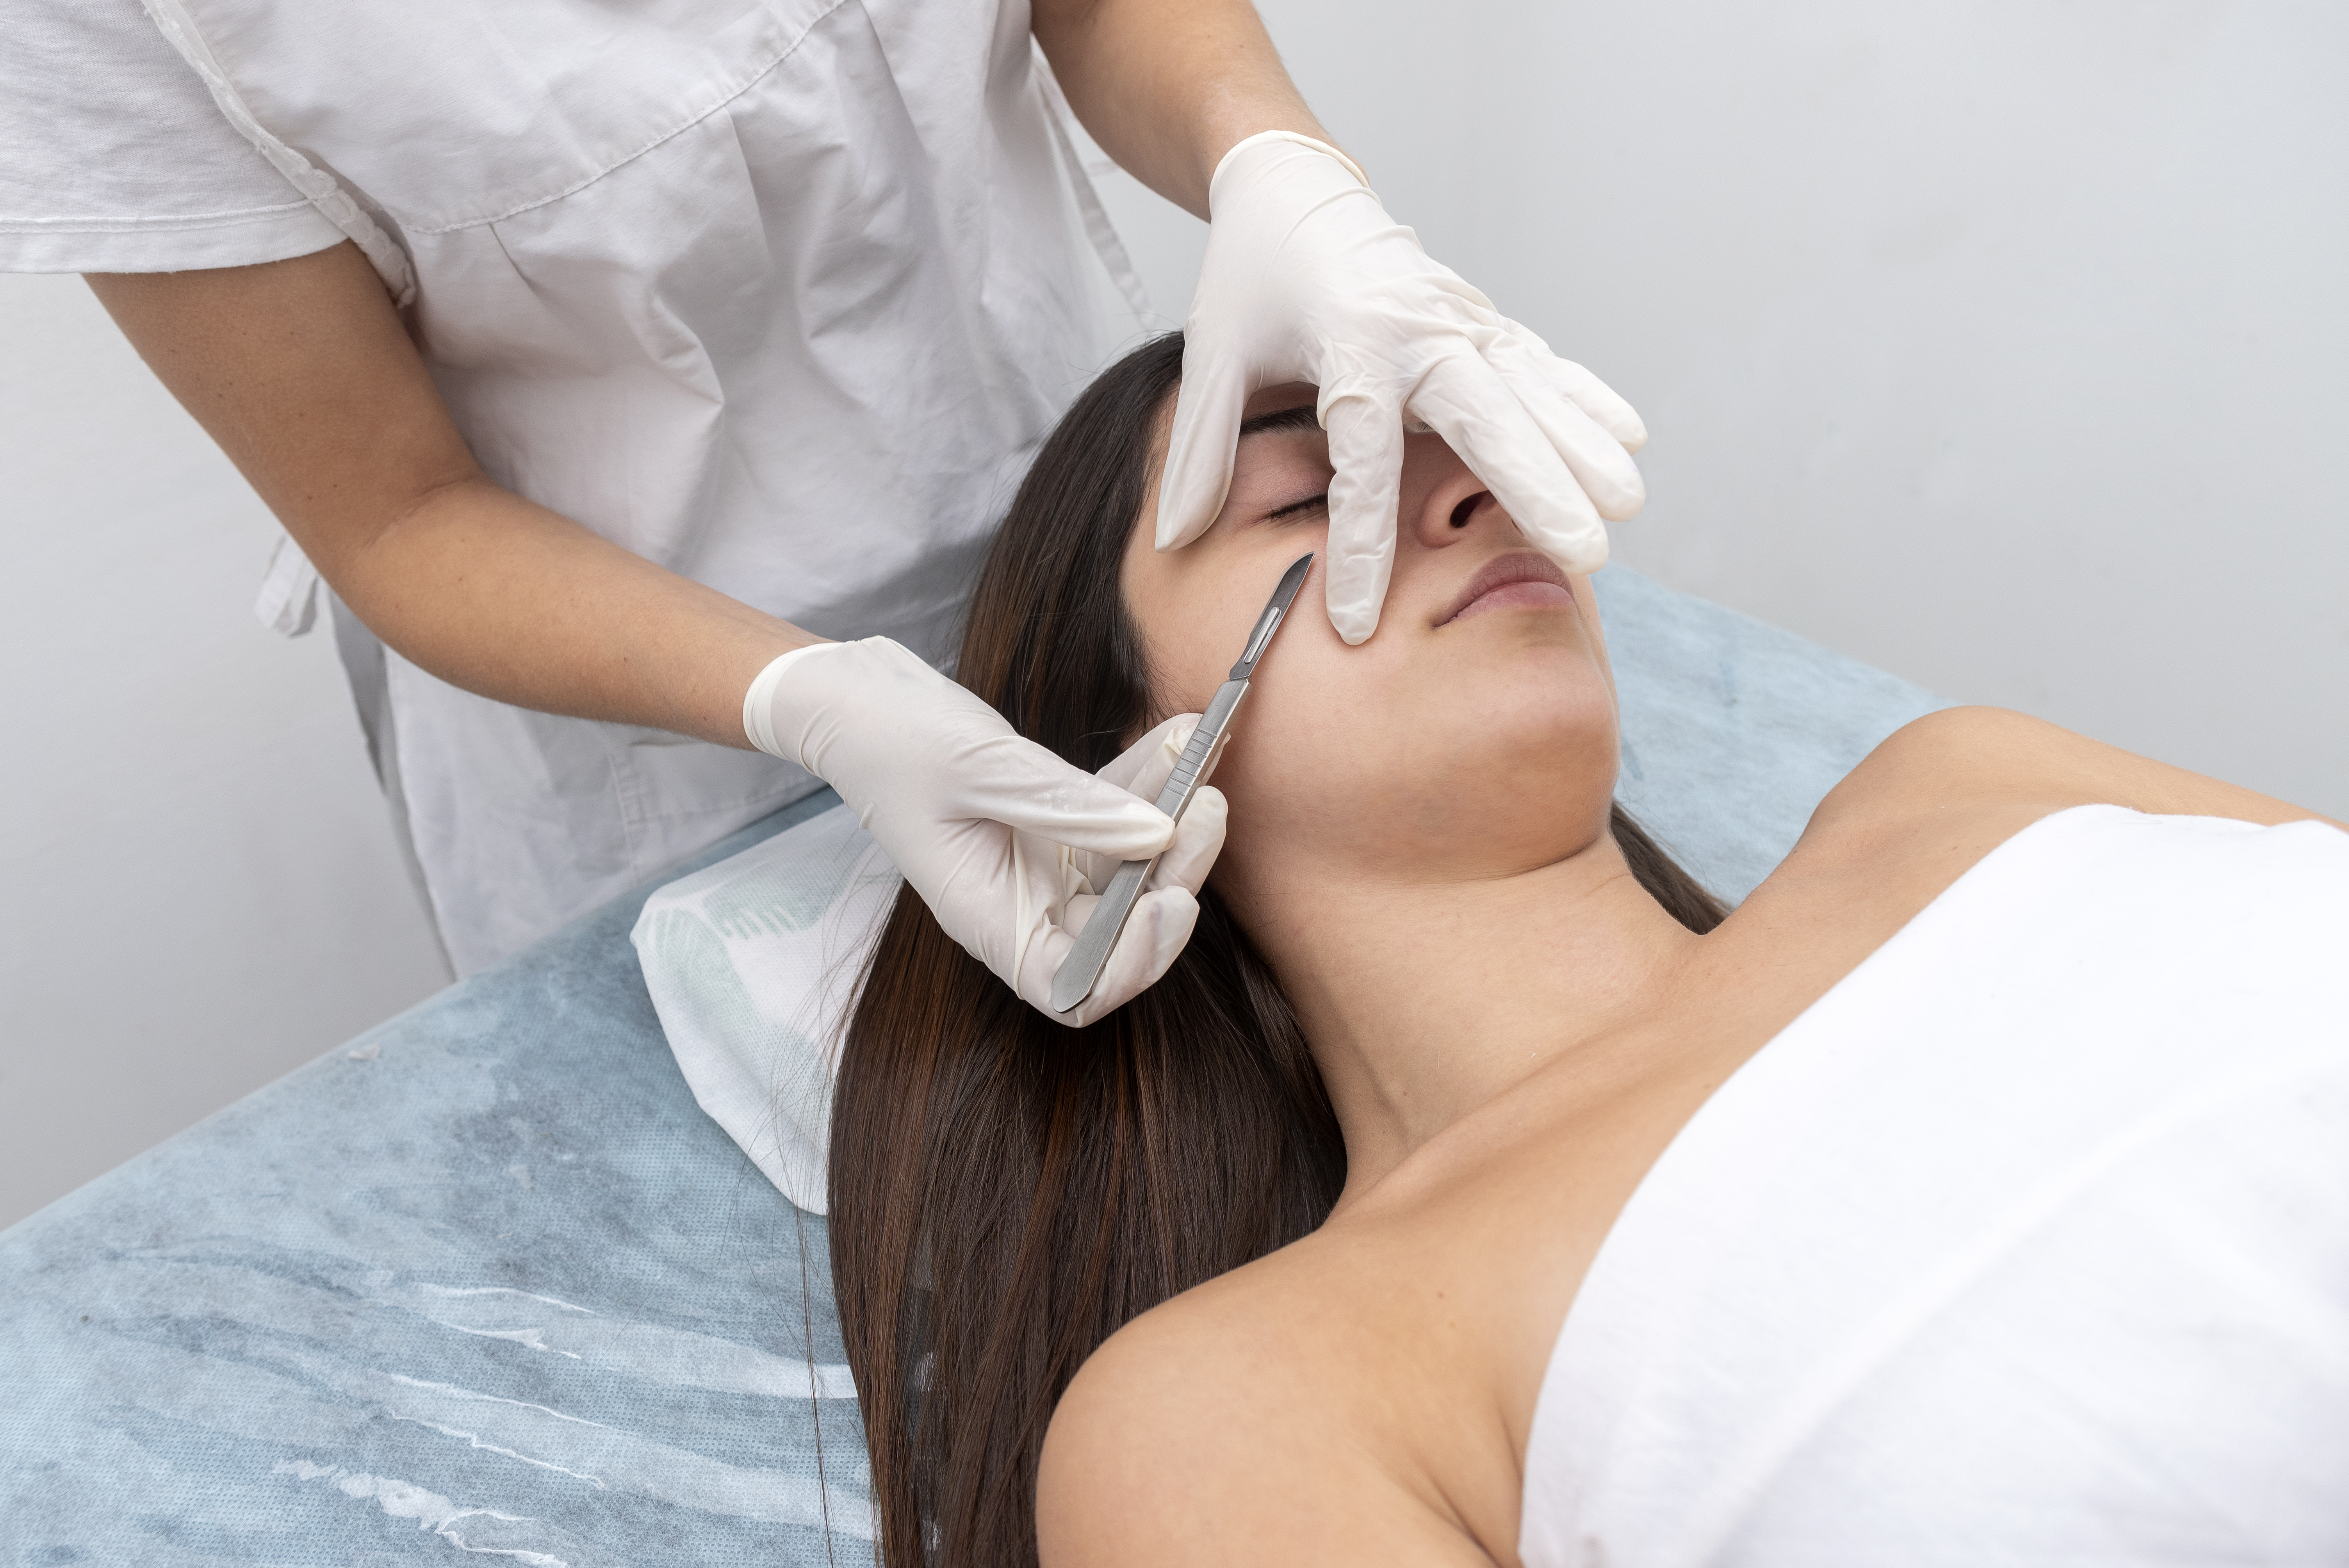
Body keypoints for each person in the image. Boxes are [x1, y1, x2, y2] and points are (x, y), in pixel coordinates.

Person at [826, 334, 2349, 1567]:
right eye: (1306, 502)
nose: (1473, 495)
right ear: (1117, 774)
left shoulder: (1966, 778)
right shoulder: (1247, 1404)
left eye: (1468, 453)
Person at [3, 0, 1646, 989]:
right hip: (629, 723)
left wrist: (1263, 148)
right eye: (1293, 507)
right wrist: (807, 697)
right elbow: (394, 513)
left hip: (1056, 516)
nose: (1452, 502)